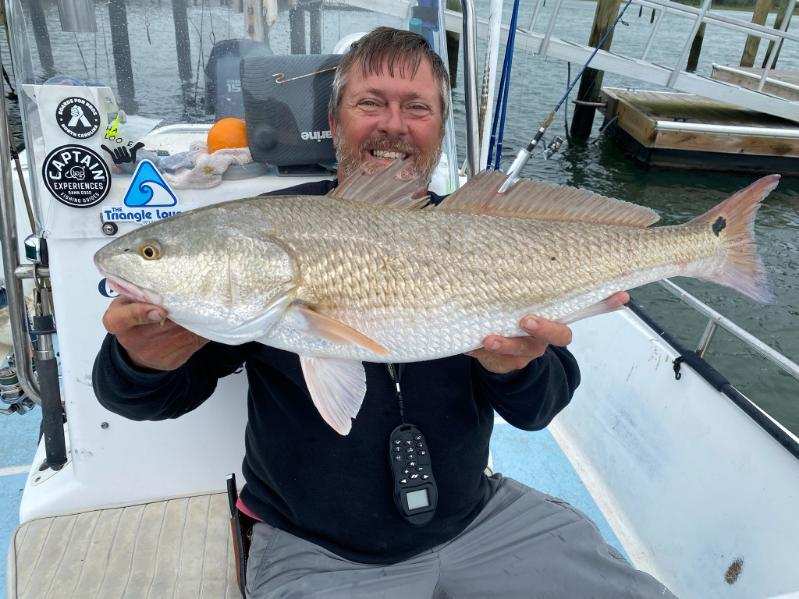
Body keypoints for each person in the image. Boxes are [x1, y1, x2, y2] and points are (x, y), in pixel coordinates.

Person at [93, 27, 673, 598]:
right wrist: (142, 361)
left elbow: (541, 409)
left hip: (477, 521)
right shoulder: (262, 235)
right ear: (336, 118)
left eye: (416, 107)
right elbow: (142, 399)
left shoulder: (493, 234)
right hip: (313, 550)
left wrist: (516, 367)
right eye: (370, 102)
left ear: (440, 127)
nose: (393, 124)